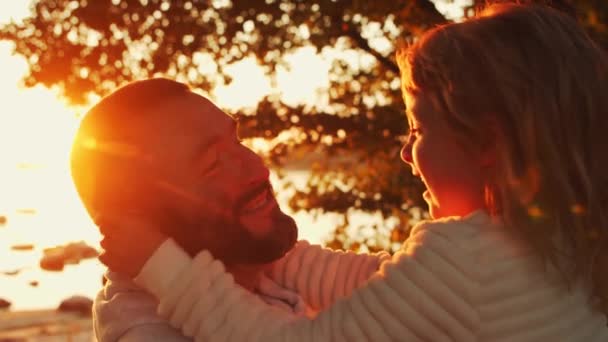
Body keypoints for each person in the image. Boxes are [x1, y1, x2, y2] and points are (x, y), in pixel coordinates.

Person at [97, 3, 608, 341]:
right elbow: (372, 282)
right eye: (213, 160)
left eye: (419, 131)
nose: (407, 154)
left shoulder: (468, 257)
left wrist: (163, 265)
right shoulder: (565, 238)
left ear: (490, 143)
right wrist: (261, 249)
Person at [71, 78, 386, 341]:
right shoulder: (153, 334)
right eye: (212, 165)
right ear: (133, 224)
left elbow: (410, 291)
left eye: (236, 141)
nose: (256, 166)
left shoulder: (258, 270)